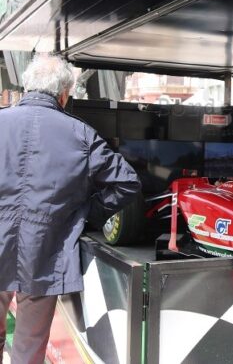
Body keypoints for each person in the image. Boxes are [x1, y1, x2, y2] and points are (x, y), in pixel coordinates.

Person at [0, 55, 141, 364]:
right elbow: (127, 183)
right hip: (44, 252)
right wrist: (88, 213)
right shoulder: (81, 134)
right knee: (29, 347)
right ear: (64, 94)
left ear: (26, 87)